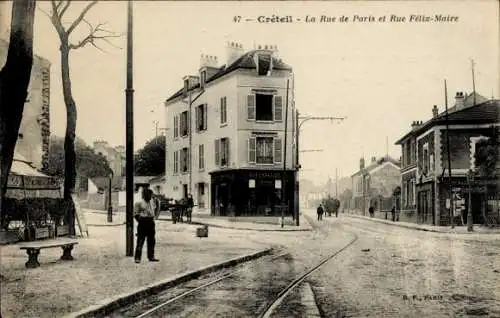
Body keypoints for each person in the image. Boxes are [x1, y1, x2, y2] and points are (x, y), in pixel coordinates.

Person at [134, 188, 159, 263]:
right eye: (149, 195)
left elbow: (156, 208)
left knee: (151, 241)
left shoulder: (152, 202)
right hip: (143, 222)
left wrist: (154, 217)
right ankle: (137, 258)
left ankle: (151, 256)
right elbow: (135, 214)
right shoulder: (139, 203)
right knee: (140, 241)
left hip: (151, 222)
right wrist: (141, 221)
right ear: (144, 195)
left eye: (151, 195)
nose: (150, 196)